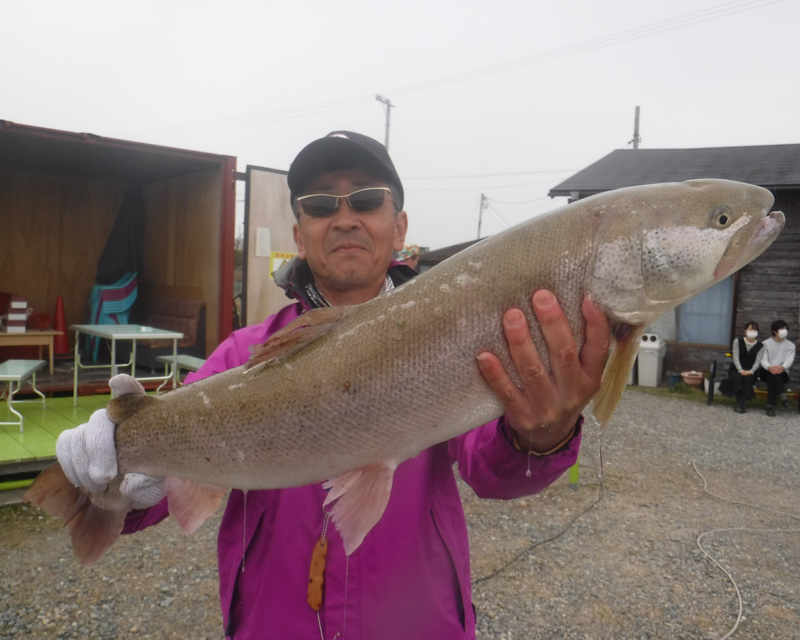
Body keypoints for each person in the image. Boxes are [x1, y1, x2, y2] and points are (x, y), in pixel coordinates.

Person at [55, 131, 608, 639]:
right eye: (320, 205)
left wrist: (545, 433)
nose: (345, 218)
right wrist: (110, 480)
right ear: (299, 233)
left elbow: (495, 472)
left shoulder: (460, 333)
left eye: (367, 200)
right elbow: (155, 487)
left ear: (400, 226)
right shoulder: (241, 356)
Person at [759, 319, 796, 416]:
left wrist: (782, 368)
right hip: (766, 371)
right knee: (772, 375)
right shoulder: (765, 344)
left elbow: (789, 360)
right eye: (782, 329)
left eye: (785, 329)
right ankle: (783, 397)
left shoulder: (790, 346)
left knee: (773, 377)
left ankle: (770, 406)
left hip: (782, 373)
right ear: (774, 331)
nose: (785, 331)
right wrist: (770, 367)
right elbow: (763, 360)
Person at [729, 321, 764, 414]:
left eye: (755, 329)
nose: (753, 331)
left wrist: (751, 371)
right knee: (738, 378)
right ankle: (740, 404)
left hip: (751, 370)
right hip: (736, 369)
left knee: (748, 380)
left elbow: (758, 361)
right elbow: (735, 357)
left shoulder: (761, 346)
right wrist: (740, 370)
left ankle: (740, 404)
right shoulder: (737, 341)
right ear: (745, 331)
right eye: (750, 329)